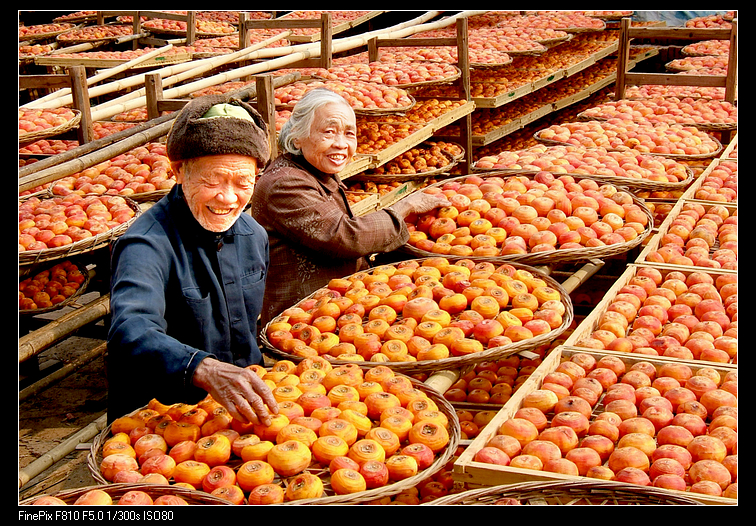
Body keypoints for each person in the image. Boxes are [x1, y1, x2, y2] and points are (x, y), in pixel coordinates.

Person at [106, 94, 278, 426]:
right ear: (179, 172)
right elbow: (131, 329)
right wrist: (201, 367)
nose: (228, 198)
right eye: (212, 181)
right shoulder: (147, 244)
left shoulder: (253, 235)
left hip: (236, 418)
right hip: (164, 425)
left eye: (244, 183)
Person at [249, 87, 451, 328]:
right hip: (301, 320)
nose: (341, 143)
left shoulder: (314, 171)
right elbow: (344, 236)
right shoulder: (285, 184)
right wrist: (403, 208)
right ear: (297, 136)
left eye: (349, 134)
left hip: (337, 306)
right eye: (329, 132)